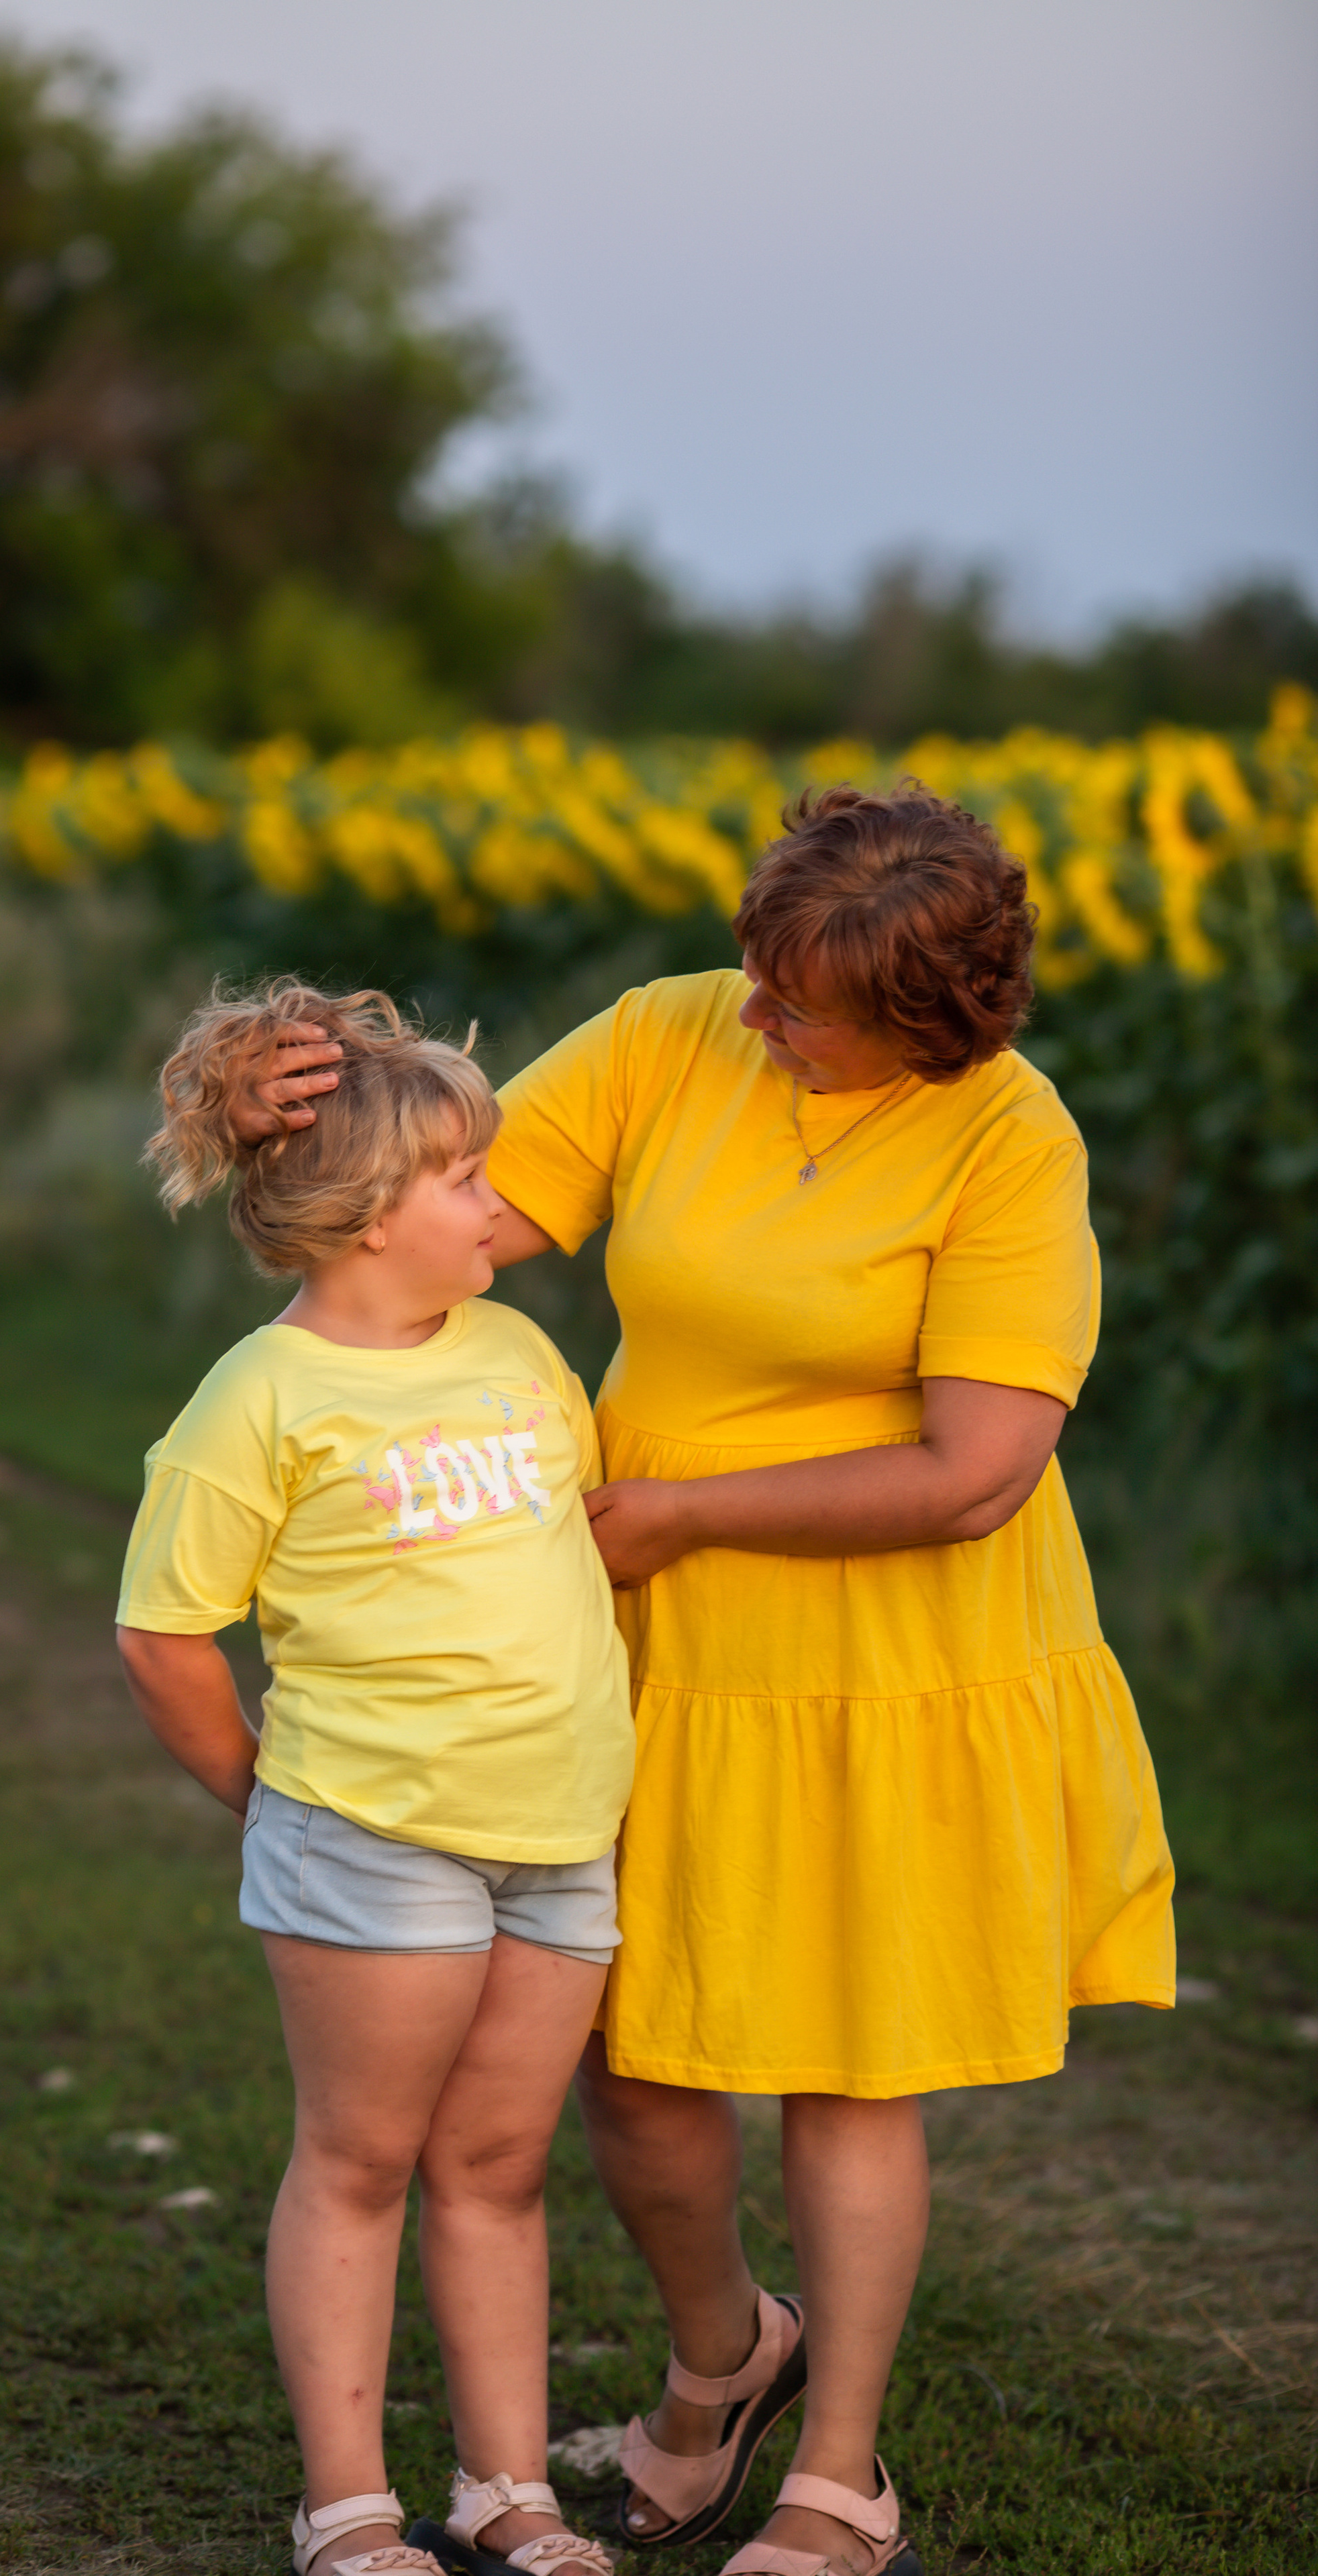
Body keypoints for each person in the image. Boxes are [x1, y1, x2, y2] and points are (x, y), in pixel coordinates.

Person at [231, 786, 1177, 2576]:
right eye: (755, 968)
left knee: (847, 2063)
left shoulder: (1008, 1140)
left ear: (927, 1020)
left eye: (795, 1000)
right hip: (641, 1635)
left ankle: (839, 2477)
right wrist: (299, 1082)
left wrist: (680, 1512)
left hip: (894, 1645)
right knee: (634, 2063)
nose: (752, 1012)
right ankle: (726, 2354)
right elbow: (435, 1211)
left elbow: (980, 1468)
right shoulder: (677, 1035)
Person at [115, 981, 634, 2576]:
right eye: (466, 1181)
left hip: (556, 1837)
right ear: (361, 1216)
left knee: (495, 2170)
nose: (502, 1203)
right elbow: (163, 1634)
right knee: (358, 2163)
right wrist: (261, 1791)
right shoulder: (257, 1402)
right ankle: (345, 2507)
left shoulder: (520, 1353)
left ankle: (504, 2494)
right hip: (372, 1842)